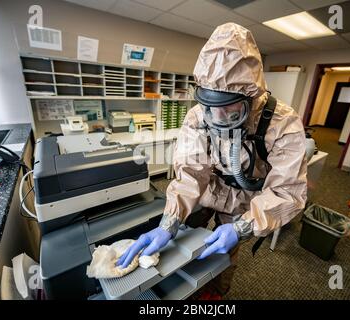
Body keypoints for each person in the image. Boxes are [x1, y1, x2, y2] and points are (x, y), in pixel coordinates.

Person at [117, 23, 307, 298]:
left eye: (229, 108)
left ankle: (217, 296)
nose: (217, 119)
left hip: (244, 202)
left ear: (250, 97)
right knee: (178, 248)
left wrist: (243, 227)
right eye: (210, 107)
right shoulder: (198, 115)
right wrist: (167, 223)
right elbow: (191, 173)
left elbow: (288, 191)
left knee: (221, 261)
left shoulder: (283, 123)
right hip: (205, 191)